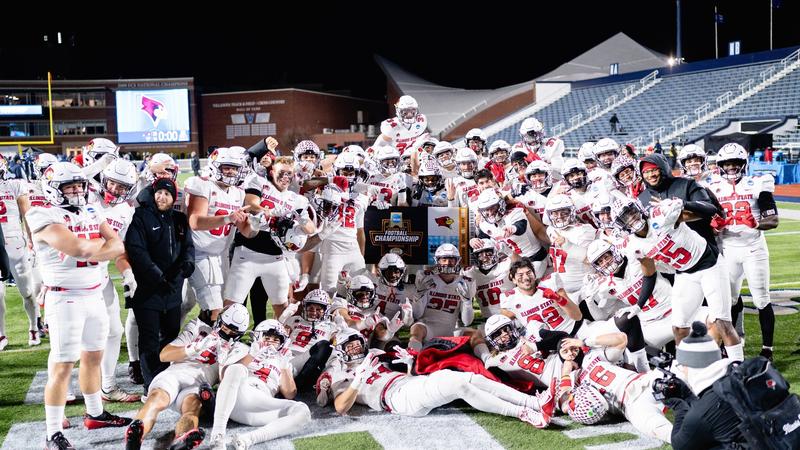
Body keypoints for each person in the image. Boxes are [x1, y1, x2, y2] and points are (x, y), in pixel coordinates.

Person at [26, 162, 131, 449]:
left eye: (79, 185)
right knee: (62, 366)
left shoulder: (92, 209)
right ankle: (52, 432)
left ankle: (95, 413)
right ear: (53, 189)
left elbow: (118, 244)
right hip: (65, 297)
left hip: (94, 293)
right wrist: (100, 245)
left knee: (93, 357)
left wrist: (98, 245)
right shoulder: (41, 214)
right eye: (68, 186)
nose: (76, 190)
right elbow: (80, 248)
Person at [125, 177, 196, 391]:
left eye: (167, 194)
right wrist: (158, 276)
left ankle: (167, 378)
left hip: (173, 290)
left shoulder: (180, 219)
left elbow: (188, 248)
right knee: (149, 340)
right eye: (158, 193)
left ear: (173, 198)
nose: (162, 197)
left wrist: (187, 266)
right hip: (147, 290)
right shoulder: (140, 217)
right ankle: (150, 384)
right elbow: (137, 251)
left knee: (171, 334)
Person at [663, 322, 744, 449]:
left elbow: (680, 445)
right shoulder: (745, 373)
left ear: (690, 365)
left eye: (682, 365)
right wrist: (689, 396)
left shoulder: (701, 415)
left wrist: (679, 405)